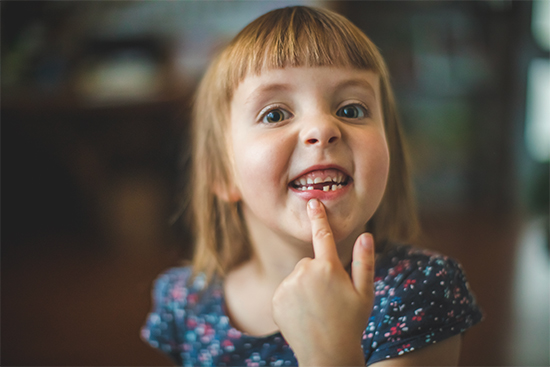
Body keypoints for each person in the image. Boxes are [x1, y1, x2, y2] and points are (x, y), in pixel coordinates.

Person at [141, 6, 483, 366]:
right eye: (274, 114)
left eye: (351, 109)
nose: (322, 127)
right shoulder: (184, 303)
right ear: (222, 172)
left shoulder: (418, 291)